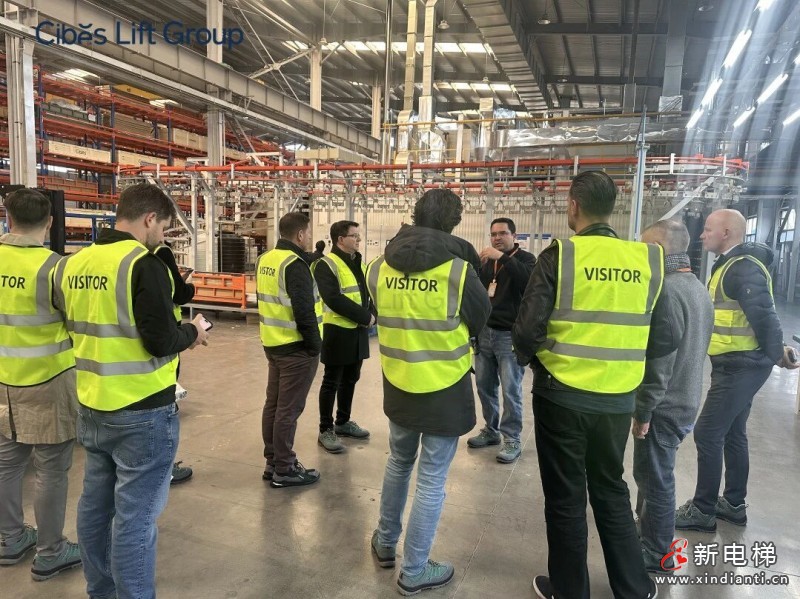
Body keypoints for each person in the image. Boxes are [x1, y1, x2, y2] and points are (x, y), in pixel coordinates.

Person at [54, 183, 210, 599]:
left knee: (95, 507)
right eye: (164, 228)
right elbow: (161, 340)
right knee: (136, 519)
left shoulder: (72, 263)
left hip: (92, 403)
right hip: (142, 410)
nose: (163, 236)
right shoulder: (143, 263)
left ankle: (101, 591)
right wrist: (192, 332)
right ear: (149, 218)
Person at [512, 171, 662, 599]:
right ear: (612, 208)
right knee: (611, 487)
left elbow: (526, 331)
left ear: (574, 205)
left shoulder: (560, 255)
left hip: (561, 396)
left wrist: (540, 363)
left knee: (565, 497)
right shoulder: (647, 259)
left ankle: (569, 590)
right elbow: (665, 335)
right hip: (618, 398)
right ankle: (634, 587)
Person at [367, 189, 490, 596]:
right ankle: (415, 569)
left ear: (416, 215)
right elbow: (480, 319)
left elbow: (379, 313)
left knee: (399, 461)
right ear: (453, 223)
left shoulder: (377, 267)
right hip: (444, 385)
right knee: (432, 478)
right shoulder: (458, 271)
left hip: (399, 379)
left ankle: (386, 542)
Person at [675, 209, 799, 532]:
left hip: (741, 366)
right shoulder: (730, 264)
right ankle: (733, 504)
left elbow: (764, 314)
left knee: (707, 432)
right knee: (732, 431)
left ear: (726, 233)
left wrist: (778, 354)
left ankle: (703, 510)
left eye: (707, 229)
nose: (702, 234)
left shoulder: (742, 267)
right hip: (734, 362)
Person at [0, 189, 82, 581]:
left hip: (3, 381)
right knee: (51, 469)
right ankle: (51, 551)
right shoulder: (56, 268)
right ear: (49, 223)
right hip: (49, 380)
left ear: (7, 217)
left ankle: (11, 538)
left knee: (7, 463)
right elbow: (77, 324)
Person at [631, 219, 714, 572]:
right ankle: (648, 533)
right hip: (685, 397)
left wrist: (644, 410)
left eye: (645, 246)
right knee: (654, 474)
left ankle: (657, 550)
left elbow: (660, 362)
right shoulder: (696, 287)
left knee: (655, 479)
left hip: (665, 404)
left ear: (659, 250)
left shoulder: (665, 291)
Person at [257, 212, 323, 488]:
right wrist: (315, 347)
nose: (309, 237)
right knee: (288, 410)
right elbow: (304, 312)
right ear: (300, 234)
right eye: (308, 232)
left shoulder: (266, 259)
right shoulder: (294, 265)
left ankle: (273, 462)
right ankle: (284, 469)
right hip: (296, 349)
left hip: (273, 343)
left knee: (273, 406)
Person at [468, 217, 536, 463]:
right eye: (493, 234)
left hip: (509, 336)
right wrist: (477, 268)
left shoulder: (526, 259)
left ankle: (512, 438)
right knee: (485, 386)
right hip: (485, 333)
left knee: (510, 390)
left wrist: (503, 258)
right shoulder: (488, 262)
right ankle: (491, 430)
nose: (497, 238)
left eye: (503, 233)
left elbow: (528, 281)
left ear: (514, 236)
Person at [313, 220, 375, 454]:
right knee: (332, 381)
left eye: (358, 235)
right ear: (340, 239)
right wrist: (366, 317)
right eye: (354, 236)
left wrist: (372, 314)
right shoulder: (326, 264)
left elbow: (367, 293)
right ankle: (325, 429)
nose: (359, 239)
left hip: (358, 331)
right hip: (337, 331)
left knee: (351, 378)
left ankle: (343, 422)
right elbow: (333, 299)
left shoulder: (358, 262)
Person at [154, 243, 196, 485]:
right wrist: (189, 285)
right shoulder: (160, 252)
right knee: (164, 404)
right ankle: (165, 469)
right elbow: (179, 294)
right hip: (165, 337)